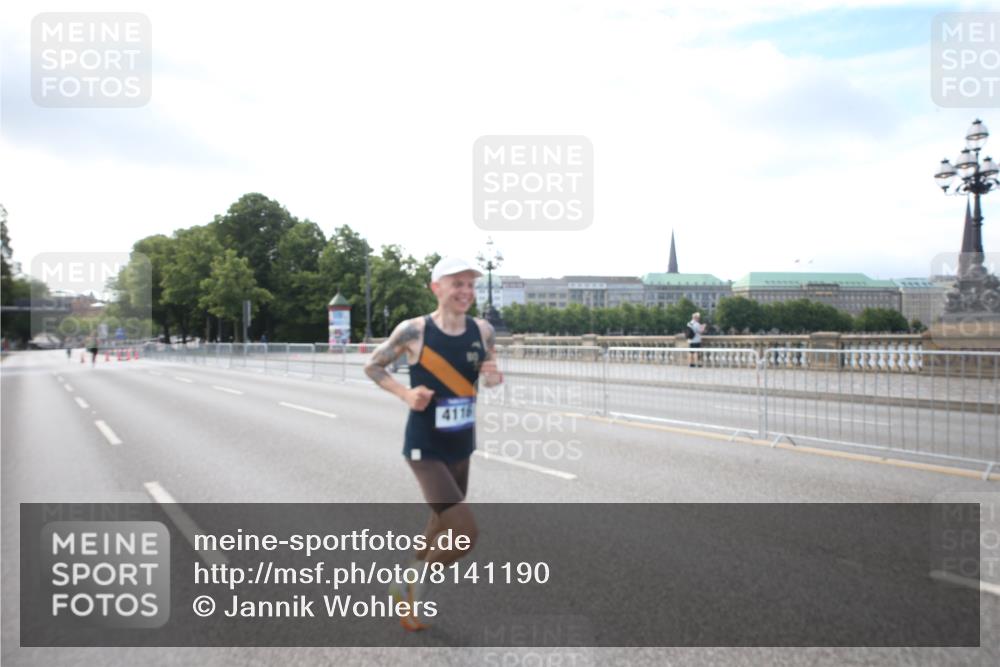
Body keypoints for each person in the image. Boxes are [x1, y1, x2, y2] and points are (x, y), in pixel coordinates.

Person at [364, 256, 504, 631]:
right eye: (457, 284)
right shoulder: (414, 331)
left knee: (439, 523)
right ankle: (408, 585)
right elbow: (374, 366)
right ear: (436, 288)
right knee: (463, 534)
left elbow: (488, 372)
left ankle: (407, 589)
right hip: (424, 446)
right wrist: (405, 394)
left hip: (462, 442)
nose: (466, 292)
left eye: (471, 284)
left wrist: (492, 376)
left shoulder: (483, 330)